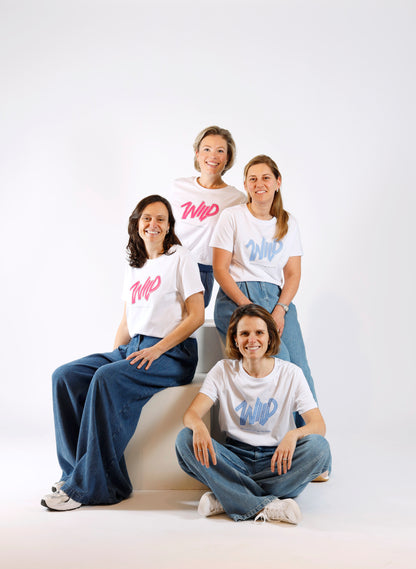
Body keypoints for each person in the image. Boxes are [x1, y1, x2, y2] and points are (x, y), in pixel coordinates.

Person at [42, 195, 204, 511]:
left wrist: (157, 349)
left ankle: (88, 488)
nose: (153, 224)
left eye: (161, 219)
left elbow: (196, 315)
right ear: (137, 224)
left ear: (169, 226)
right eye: (147, 218)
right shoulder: (135, 264)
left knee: (106, 379)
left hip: (172, 352)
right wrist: (116, 357)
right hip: (135, 347)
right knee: (65, 376)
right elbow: (127, 321)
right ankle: (74, 473)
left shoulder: (180, 257)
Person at [175, 304, 331, 524]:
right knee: (185, 439)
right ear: (235, 339)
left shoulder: (291, 373)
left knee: (319, 448)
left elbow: (318, 425)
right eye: (244, 333)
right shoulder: (223, 370)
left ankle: (228, 496)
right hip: (235, 460)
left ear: (269, 337)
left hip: (278, 462)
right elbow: (191, 414)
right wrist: (199, 426)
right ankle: (267, 505)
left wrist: (293, 435)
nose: (252, 339)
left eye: (259, 332)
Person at [210, 154, 317, 419]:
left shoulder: (288, 222)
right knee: (281, 364)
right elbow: (220, 270)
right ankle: (277, 436)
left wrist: (281, 309)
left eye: (266, 178)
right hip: (238, 298)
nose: (259, 184)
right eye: (253, 179)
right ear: (246, 185)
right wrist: (248, 308)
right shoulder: (232, 217)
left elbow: (292, 274)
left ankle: (310, 436)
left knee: (299, 369)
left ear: (278, 182)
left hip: (277, 299)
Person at [169, 125, 246, 307]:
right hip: (170, 264)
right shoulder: (178, 187)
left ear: (228, 158)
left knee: (189, 321)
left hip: (202, 271)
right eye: (207, 149)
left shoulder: (237, 199)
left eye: (220, 151)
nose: (213, 156)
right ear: (197, 154)